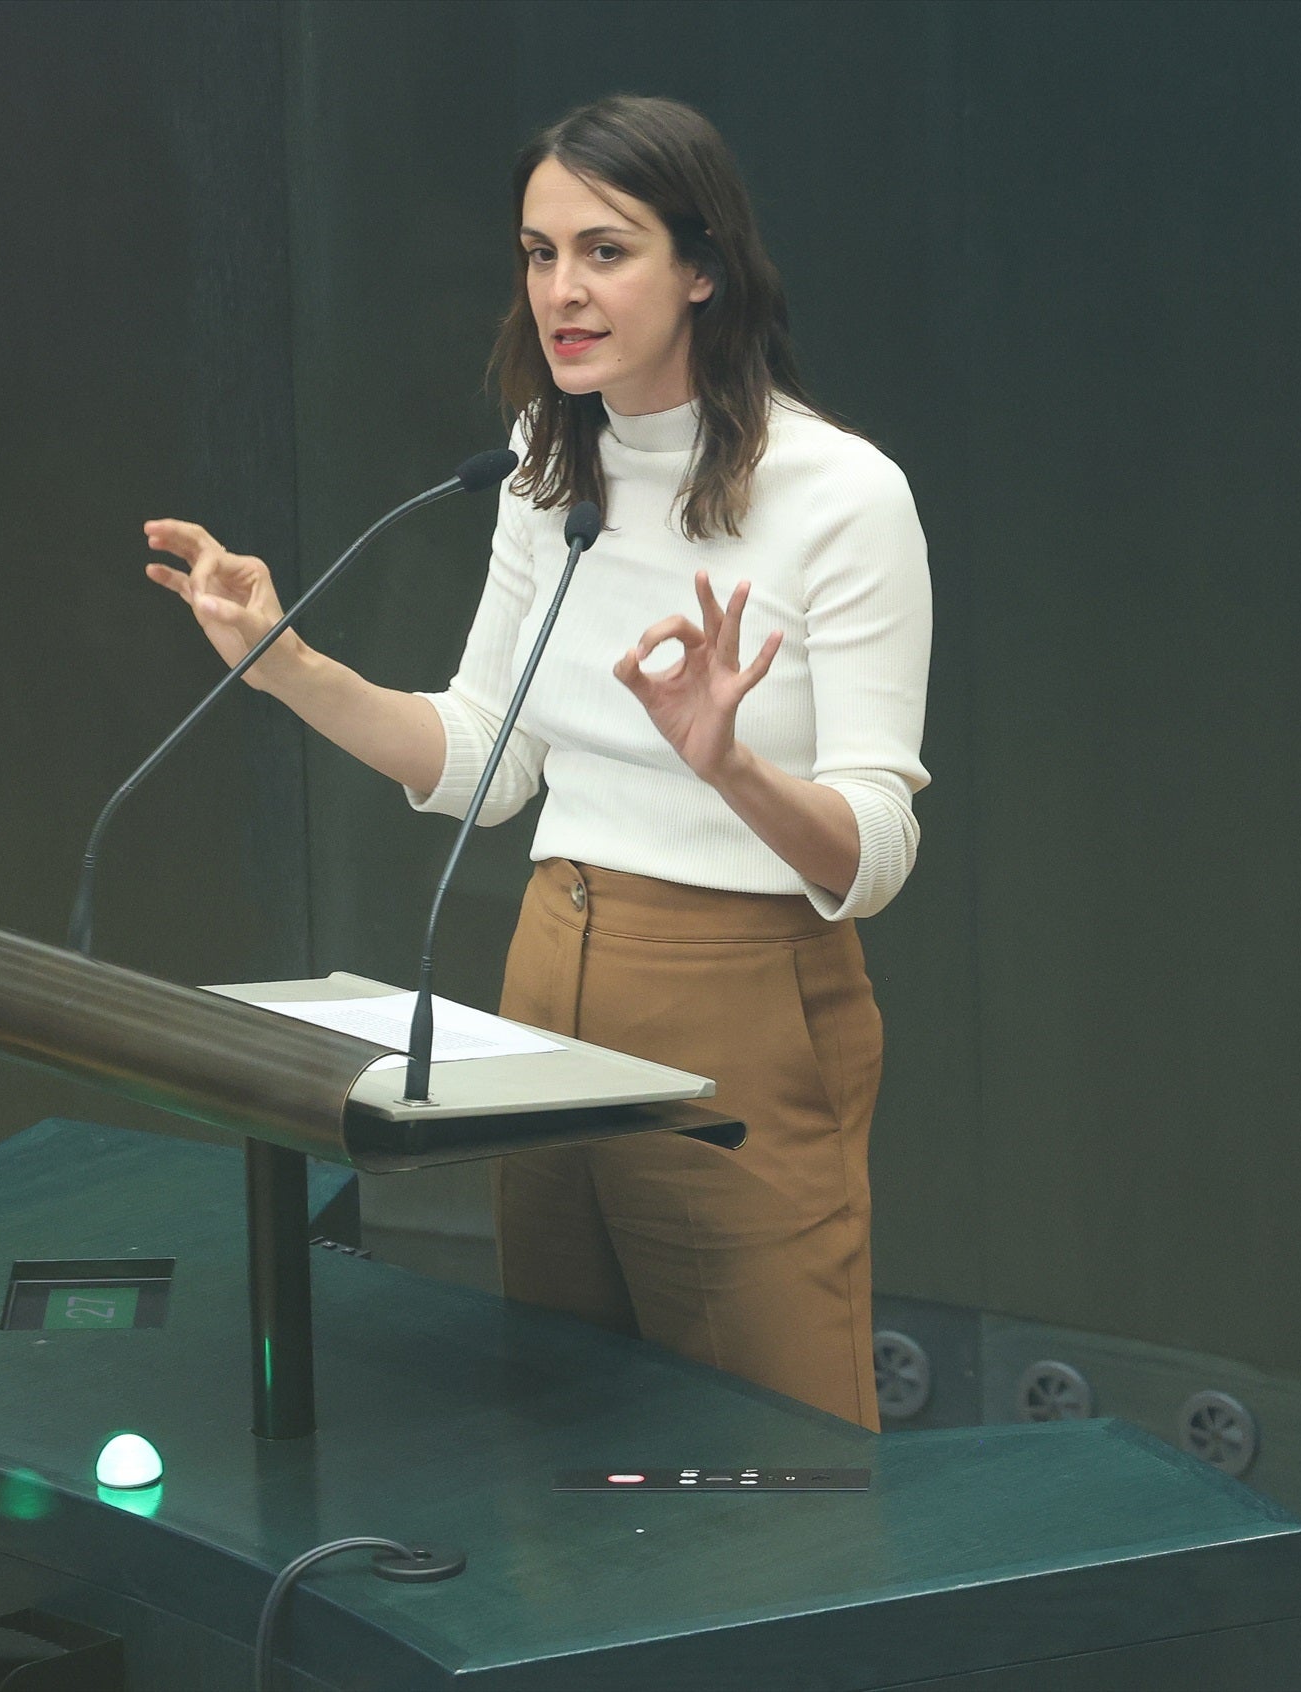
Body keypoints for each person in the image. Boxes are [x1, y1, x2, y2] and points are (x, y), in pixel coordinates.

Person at [144, 95, 931, 1432]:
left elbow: (878, 857)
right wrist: (283, 663)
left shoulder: (843, 494)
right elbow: (482, 762)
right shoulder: (540, 469)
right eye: (536, 252)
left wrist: (727, 764)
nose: (563, 291)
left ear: (701, 268)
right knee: (578, 1426)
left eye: (606, 251)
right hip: (546, 971)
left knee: (762, 1451)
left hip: (739, 992)